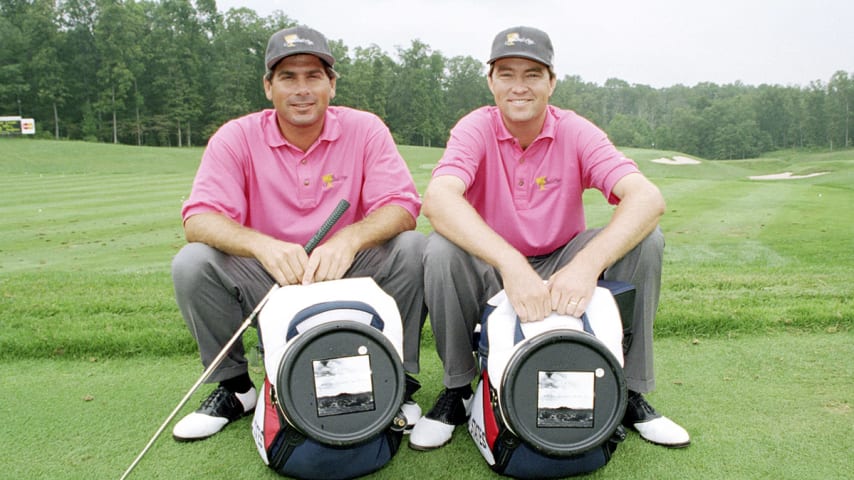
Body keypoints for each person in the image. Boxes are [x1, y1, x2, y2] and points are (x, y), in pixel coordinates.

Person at [409, 26, 690, 451]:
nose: (519, 86)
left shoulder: (575, 130)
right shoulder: (475, 128)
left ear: (551, 82)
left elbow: (647, 199)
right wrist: (510, 264)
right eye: (506, 74)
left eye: (532, 74)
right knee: (440, 249)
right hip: (495, 265)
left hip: (563, 259)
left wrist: (585, 266)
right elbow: (438, 199)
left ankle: (630, 390)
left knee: (648, 241)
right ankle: (458, 388)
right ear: (490, 81)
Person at [170, 25, 426, 442]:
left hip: (349, 271)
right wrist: (262, 245)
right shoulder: (236, 136)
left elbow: (402, 206)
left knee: (414, 249)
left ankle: (395, 379)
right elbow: (198, 218)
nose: (302, 89)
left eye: (313, 76)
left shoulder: (365, 129)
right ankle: (235, 389)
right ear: (268, 87)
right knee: (193, 263)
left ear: (332, 84)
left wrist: (348, 240)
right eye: (288, 77)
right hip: (272, 276)